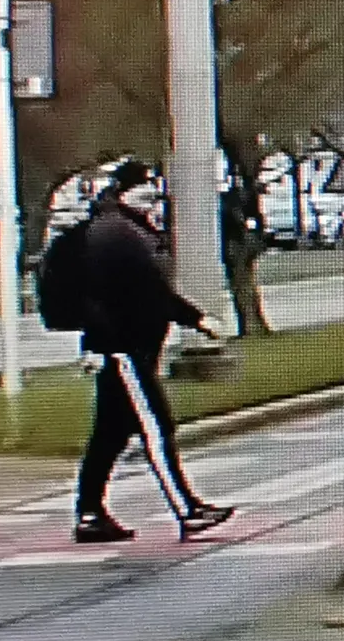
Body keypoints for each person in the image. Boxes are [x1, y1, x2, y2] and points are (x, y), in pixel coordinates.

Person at [70, 160, 235, 544]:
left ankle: (89, 514)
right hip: (125, 350)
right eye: (145, 187)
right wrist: (196, 319)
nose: (153, 196)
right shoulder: (119, 234)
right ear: (126, 191)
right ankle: (187, 510)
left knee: (109, 437)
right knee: (156, 429)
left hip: (120, 349)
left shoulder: (122, 229)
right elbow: (145, 295)